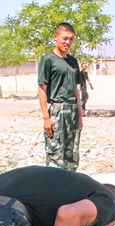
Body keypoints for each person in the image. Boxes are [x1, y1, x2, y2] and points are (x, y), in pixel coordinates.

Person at [38, 23, 83, 171]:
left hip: (73, 112)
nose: (67, 42)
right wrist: (46, 117)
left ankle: (71, 192)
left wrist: (80, 116)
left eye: (71, 39)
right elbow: (42, 89)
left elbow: (77, 90)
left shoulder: (73, 61)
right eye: (64, 38)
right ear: (55, 37)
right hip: (57, 111)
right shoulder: (48, 60)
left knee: (72, 158)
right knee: (55, 157)